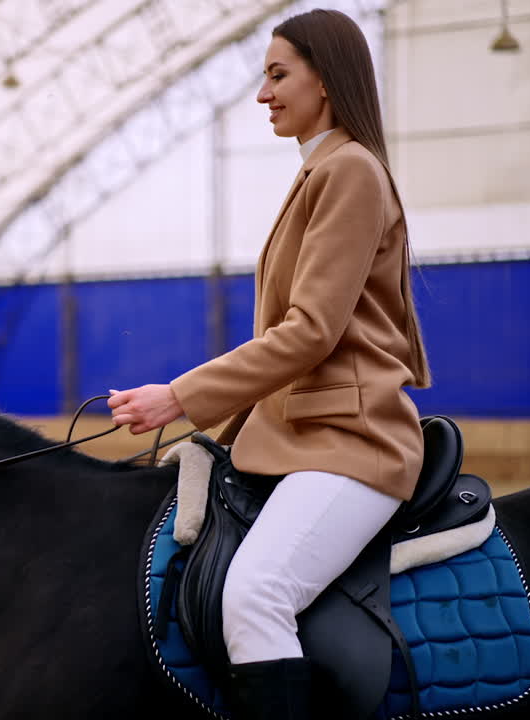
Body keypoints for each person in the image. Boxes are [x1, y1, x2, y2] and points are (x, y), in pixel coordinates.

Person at [107, 9, 431, 719]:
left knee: (255, 594)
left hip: (352, 443)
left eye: (278, 75)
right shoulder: (322, 168)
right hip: (301, 438)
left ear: (328, 78)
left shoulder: (348, 171)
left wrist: (180, 397)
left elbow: (310, 332)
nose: (263, 94)